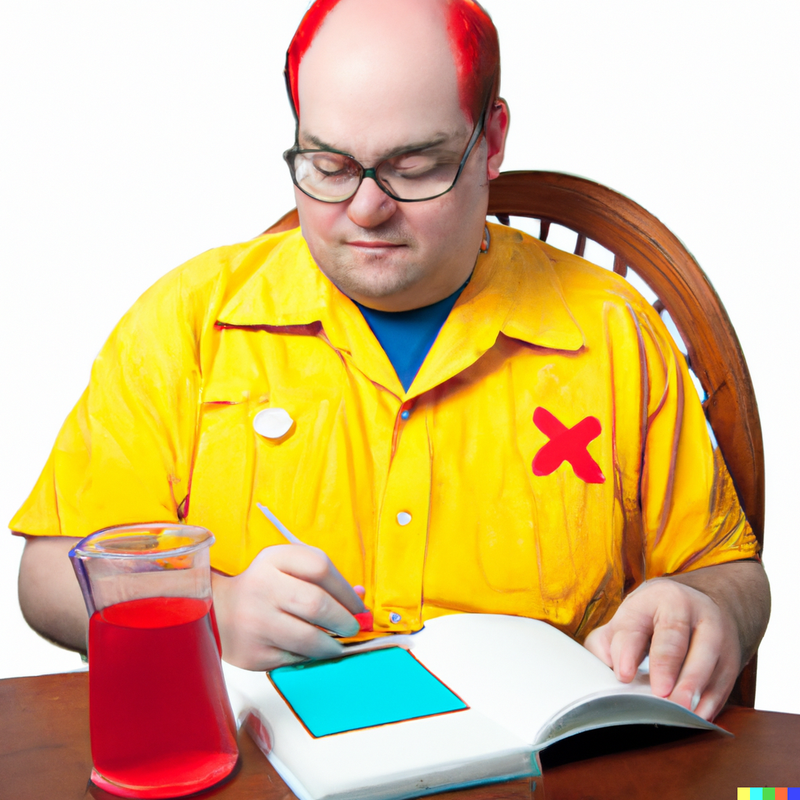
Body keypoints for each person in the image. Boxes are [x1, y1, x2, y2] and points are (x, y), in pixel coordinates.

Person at [12, 0, 768, 723]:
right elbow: (47, 577)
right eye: (330, 165)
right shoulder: (189, 319)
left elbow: (729, 572)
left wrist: (708, 608)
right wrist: (208, 608)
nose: (367, 210)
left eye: (413, 166)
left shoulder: (613, 331)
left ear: (491, 141)